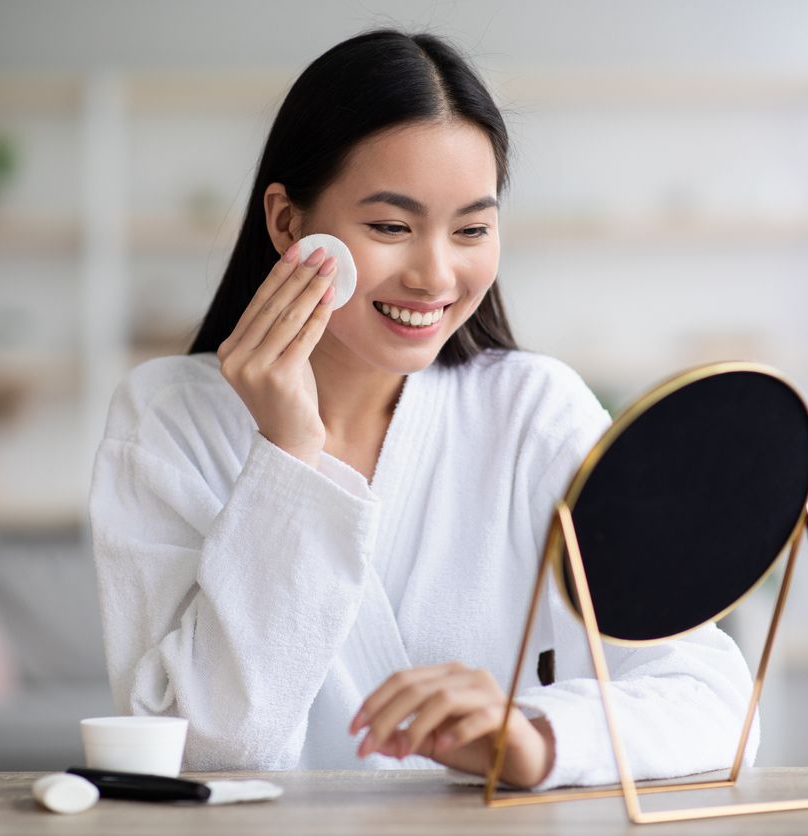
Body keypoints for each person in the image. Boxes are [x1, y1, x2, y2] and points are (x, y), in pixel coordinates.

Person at [89, 28, 758, 790]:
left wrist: (533, 737)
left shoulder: (533, 412)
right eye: (390, 227)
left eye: (471, 228)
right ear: (287, 223)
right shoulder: (167, 422)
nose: (435, 274)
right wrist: (287, 455)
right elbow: (193, 752)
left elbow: (712, 696)